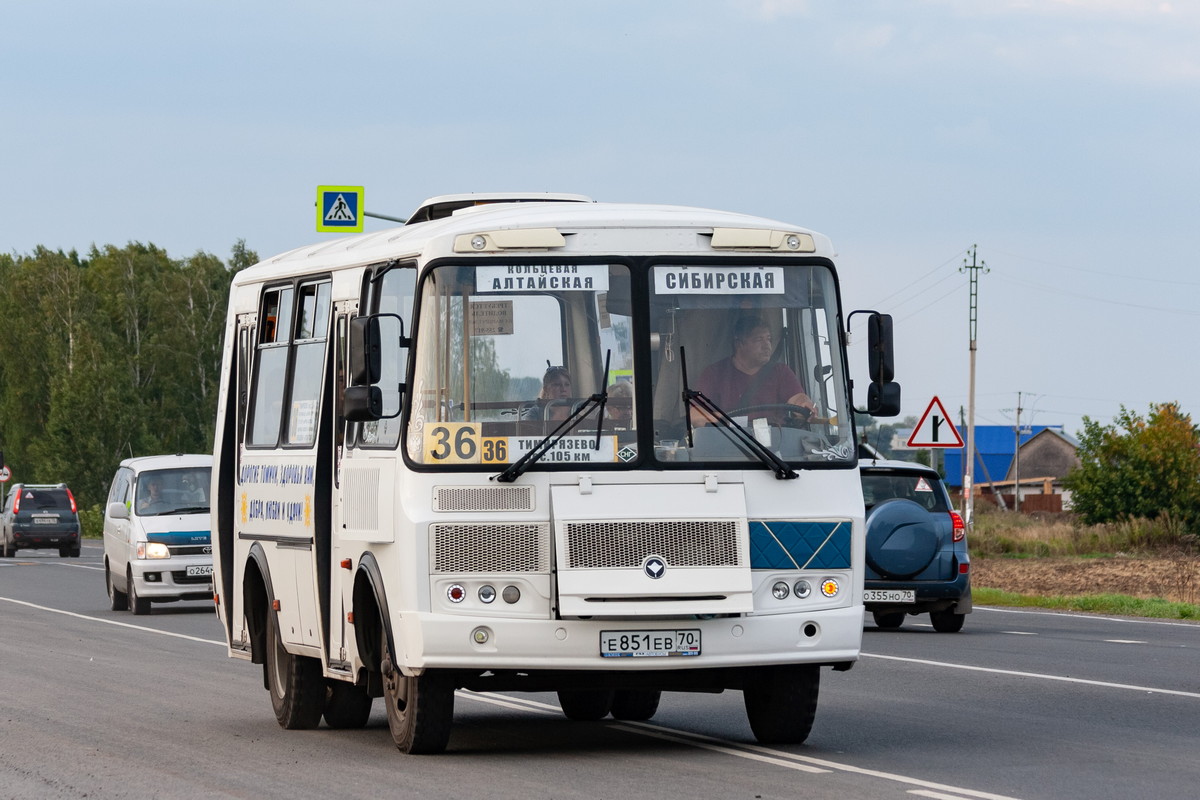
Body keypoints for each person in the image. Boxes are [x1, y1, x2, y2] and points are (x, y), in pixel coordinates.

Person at [694, 315, 816, 422]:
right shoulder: (714, 373)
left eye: (768, 339)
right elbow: (695, 416)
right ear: (739, 344)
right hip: (730, 442)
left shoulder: (781, 371)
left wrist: (804, 404)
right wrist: (727, 421)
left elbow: (797, 398)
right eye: (759, 340)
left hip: (775, 443)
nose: (767, 345)